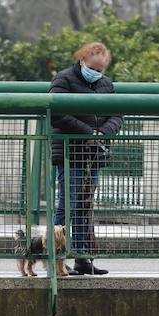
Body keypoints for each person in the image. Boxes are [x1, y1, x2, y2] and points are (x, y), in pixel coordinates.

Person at [48, 41, 122, 276]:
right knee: (67, 204)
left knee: (85, 206)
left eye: (101, 71)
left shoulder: (106, 85)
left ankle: (82, 257)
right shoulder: (64, 79)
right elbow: (57, 113)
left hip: (94, 153)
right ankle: (57, 257)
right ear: (82, 61)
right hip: (70, 153)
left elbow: (117, 113)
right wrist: (87, 132)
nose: (97, 74)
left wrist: (103, 132)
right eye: (93, 68)